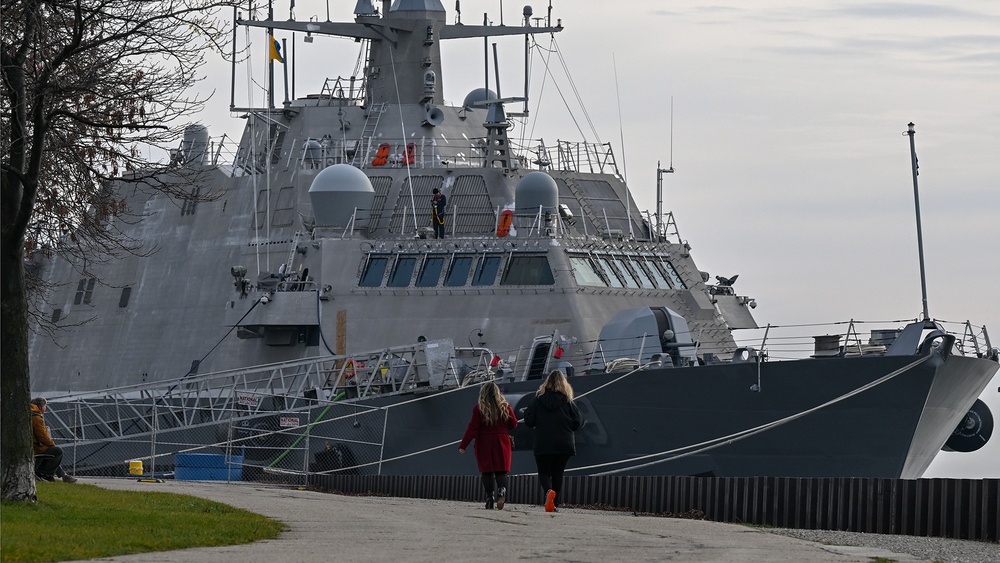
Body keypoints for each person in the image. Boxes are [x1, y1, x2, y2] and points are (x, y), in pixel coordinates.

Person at [523, 369, 584, 512]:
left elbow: (529, 421)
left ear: (546, 383)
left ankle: (548, 491)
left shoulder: (538, 400)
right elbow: (578, 421)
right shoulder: (567, 401)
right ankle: (554, 504)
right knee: (558, 473)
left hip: (543, 442)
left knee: (544, 472)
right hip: (564, 443)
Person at [458, 381, 517, 509]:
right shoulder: (505, 407)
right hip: (501, 441)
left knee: (487, 472)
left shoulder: (479, 409)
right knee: (501, 470)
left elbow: (472, 428)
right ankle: (501, 491)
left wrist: (463, 445)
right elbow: (514, 424)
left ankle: (490, 498)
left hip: (484, 443)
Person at [31, 397, 78, 483]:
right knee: (57, 451)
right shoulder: (36, 417)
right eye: (45, 406)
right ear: (41, 406)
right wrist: (51, 443)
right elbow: (42, 437)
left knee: (51, 451)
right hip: (35, 447)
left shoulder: (30, 414)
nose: (46, 409)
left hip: (33, 445)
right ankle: (45, 474)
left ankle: (64, 476)